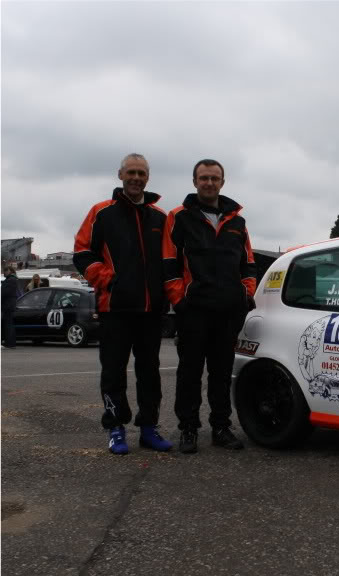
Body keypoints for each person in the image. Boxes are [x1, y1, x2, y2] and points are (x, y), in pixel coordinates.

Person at [73, 153, 173, 455]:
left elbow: (171, 260)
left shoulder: (160, 217)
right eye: (131, 172)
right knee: (113, 372)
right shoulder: (101, 213)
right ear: (120, 175)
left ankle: (148, 428)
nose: (136, 178)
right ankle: (115, 428)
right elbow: (81, 253)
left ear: (148, 177)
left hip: (150, 311)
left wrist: (166, 294)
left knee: (149, 372)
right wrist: (107, 279)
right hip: (114, 309)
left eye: (141, 173)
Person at [163, 158, 257, 454]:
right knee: (189, 372)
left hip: (228, 311)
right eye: (203, 178)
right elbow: (168, 264)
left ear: (222, 182)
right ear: (194, 182)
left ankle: (221, 427)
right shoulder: (178, 217)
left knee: (221, 372)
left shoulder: (237, 222)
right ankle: (188, 428)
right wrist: (180, 301)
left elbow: (249, 264)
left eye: (214, 178)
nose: (209, 183)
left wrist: (245, 295)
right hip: (194, 311)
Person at [2, 265, 21, 349]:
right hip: (9, 304)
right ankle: (9, 343)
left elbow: (4, 293)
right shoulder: (13, 279)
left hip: (7, 305)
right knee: (8, 324)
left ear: (10, 271)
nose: (4, 272)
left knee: (8, 325)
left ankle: (10, 343)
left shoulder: (10, 280)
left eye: (5, 270)